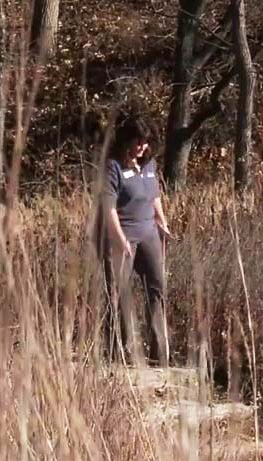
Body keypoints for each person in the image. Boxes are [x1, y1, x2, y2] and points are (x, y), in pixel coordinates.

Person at [97, 115, 171, 367]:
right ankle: (117, 350)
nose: (142, 146)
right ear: (126, 140)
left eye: (146, 141)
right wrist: (120, 240)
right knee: (117, 292)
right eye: (138, 141)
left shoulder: (149, 165)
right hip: (122, 233)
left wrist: (162, 221)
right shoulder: (113, 168)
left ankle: (159, 351)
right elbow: (108, 209)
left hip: (148, 231)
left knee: (157, 287)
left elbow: (154, 196)